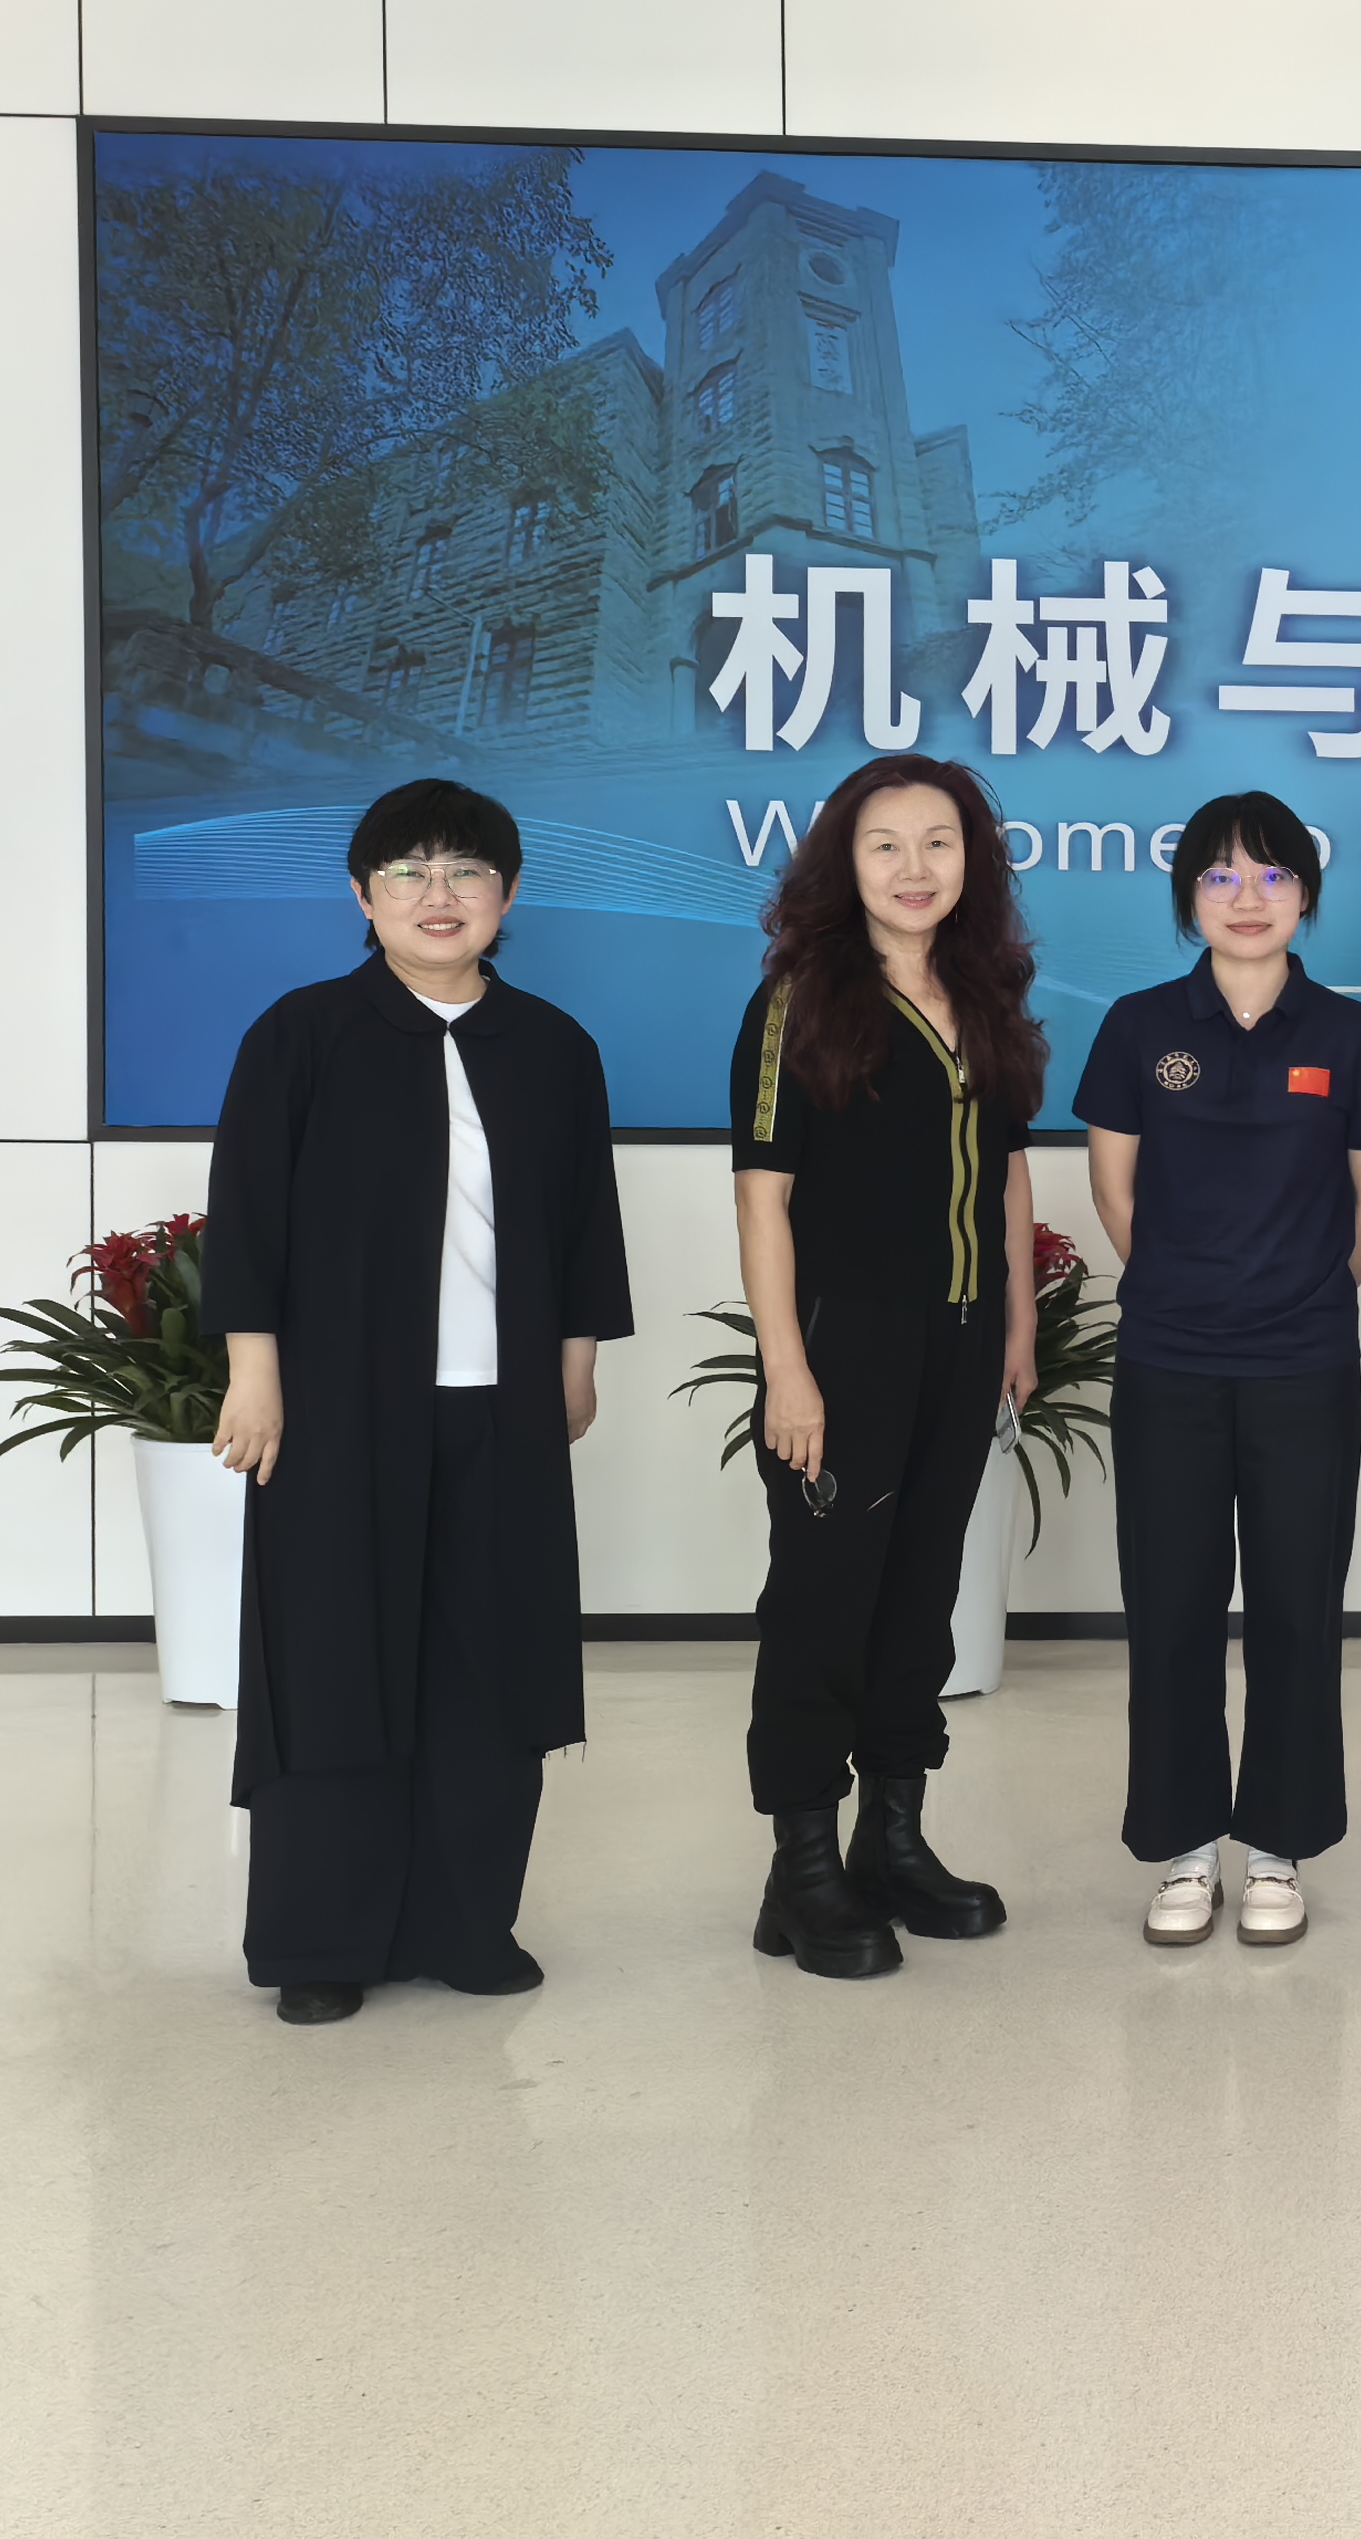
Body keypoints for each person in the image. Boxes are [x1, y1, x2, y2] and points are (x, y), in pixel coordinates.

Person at [205, 778, 631, 2027]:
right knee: (336, 1656)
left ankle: (467, 1924)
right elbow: (248, 1217)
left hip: (500, 1405)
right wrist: (254, 1375)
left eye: (465, 871)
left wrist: (577, 1360)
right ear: (362, 895)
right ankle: (321, 1939)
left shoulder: (553, 1047)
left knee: (487, 1662)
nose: (437, 895)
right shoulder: (302, 1034)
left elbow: (584, 1222)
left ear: (508, 893)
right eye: (408, 872)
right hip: (337, 1411)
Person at [729, 753, 1043, 1981]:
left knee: (920, 1596)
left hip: (963, 1342)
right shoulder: (800, 999)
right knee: (823, 1601)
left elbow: (1007, 1173)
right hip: (846, 1341)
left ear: (974, 862)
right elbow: (763, 1196)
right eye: (885, 845)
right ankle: (802, 1868)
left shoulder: (987, 992)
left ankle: (892, 1839)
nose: (915, 869)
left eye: (939, 843)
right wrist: (787, 1370)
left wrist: (1016, 1328)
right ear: (843, 864)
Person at [1075, 790, 1361, 1950]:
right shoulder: (1137, 1026)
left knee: (1297, 1610)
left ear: (1305, 894)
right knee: (1170, 1609)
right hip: (1169, 1361)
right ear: (1188, 899)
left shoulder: (1350, 1036)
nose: (1246, 897)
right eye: (1219, 875)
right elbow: (1115, 1193)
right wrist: (1187, 1288)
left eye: (1271, 875)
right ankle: (1182, 1847)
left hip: (1303, 1366)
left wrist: (1297, 1295)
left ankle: (1276, 1846)